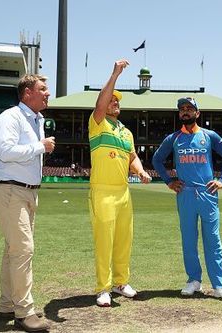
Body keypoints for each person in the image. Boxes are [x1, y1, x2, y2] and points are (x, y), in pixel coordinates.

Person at [152, 97, 222, 303]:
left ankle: (220, 285)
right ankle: (194, 280)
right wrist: (169, 181)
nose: (185, 112)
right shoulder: (173, 138)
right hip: (185, 194)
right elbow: (156, 159)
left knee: (213, 240)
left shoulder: (209, 136)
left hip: (208, 193)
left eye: (190, 109)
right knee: (188, 239)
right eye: (182, 109)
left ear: (197, 113)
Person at [0, 74, 54, 332]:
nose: (47, 93)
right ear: (27, 93)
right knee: (23, 250)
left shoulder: (35, 119)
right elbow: (5, 152)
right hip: (11, 191)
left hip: (26, 192)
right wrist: (39, 146)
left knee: (13, 250)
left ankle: (8, 304)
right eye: (42, 89)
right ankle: (24, 312)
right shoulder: (10, 118)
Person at [89, 59, 152, 307]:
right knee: (104, 239)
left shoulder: (126, 132)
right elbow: (100, 105)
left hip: (123, 192)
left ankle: (120, 282)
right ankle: (103, 288)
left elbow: (132, 157)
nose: (114, 102)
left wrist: (141, 171)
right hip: (102, 191)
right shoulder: (97, 124)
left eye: (117, 101)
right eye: (111, 100)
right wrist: (115, 74)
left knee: (124, 238)